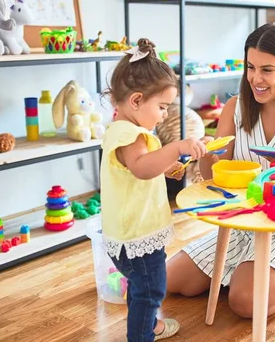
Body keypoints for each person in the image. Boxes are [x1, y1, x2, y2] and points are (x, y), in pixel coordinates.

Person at [166, 23, 275, 318]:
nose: (256, 78)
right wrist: (207, 151)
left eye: (267, 70)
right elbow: (212, 177)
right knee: (167, 280)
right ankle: (245, 273)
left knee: (244, 302)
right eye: (250, 67)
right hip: (242, 225)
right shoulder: (236, 108)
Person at [100, 38, 209, 341]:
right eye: (161, 107)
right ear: (136, 101)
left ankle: (148, 326)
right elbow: (141, 168)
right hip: (137, 233)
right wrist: (176, 147)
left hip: (129, 231)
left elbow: (142, 171)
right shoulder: (131, 134)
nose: (164, 115)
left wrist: (170, 164)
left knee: (142, 287)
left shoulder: (120, 130)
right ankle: (141, 335)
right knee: (150, 290)